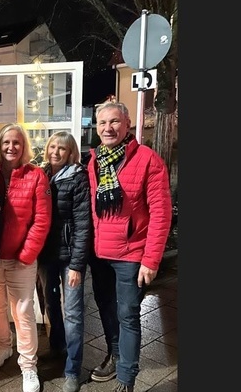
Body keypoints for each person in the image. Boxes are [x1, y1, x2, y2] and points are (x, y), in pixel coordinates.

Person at [86, 101, 172, 392]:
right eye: (102, 123)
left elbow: (161, 212)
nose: (108, 128)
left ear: (126, 126)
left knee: (129, 315)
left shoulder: (147, 159)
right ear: (96, 128)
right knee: (107, 311)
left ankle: (126, 377)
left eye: (114, 122)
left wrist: (151, 259)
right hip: (100, 254)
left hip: (130, 255)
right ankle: (115, 356)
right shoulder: (94, 160)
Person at [0, 123, 52, 392]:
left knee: (23, 311)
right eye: (6, 143)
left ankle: (28, 366)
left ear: (23, 146)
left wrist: (27, 254)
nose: (11, 147)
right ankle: (3, 346)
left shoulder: (36, 176)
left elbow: (42, 220)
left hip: (22, 258)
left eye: (16, 143)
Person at [36, 131, 91, 392]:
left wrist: (78, 265)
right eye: (53, 147)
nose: (56, 152)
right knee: (49, 304)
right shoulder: (43, 174)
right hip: (47, 255)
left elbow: (83, 224)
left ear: (71, 154)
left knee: (73, 313)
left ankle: (72, 368)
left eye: (63, 149)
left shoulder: (78, 177)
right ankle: (57, 346)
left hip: (70, 256)